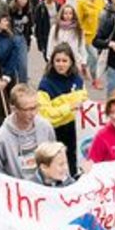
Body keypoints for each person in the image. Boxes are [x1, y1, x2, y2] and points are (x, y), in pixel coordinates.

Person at [37, 44, 89, 174]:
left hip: (76, 130)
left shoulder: (78, 80)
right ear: (52, 62)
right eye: (58, 60)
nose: (61, 64)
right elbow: (46, 115)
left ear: (71, 62)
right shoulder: (45, 85)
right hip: (56, 133)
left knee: (75, 163)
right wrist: (69, 107)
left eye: (65, 61)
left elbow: (84, 101)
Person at [0, 84, 57, 180]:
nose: (33, 113)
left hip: (43, 186)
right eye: (27, 109)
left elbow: (54, 156)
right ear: (14, 109)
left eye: (35, 107)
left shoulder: (45, 127)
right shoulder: (0, 139)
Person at [75, 0, 106, 88]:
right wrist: (79, 33)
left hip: (99, 33)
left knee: (94, 58)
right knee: (94, 57)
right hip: (87, 35)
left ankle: (84, 66)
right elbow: (78, 19)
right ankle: (95, 80)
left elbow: (104, 14)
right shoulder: (81, 1)